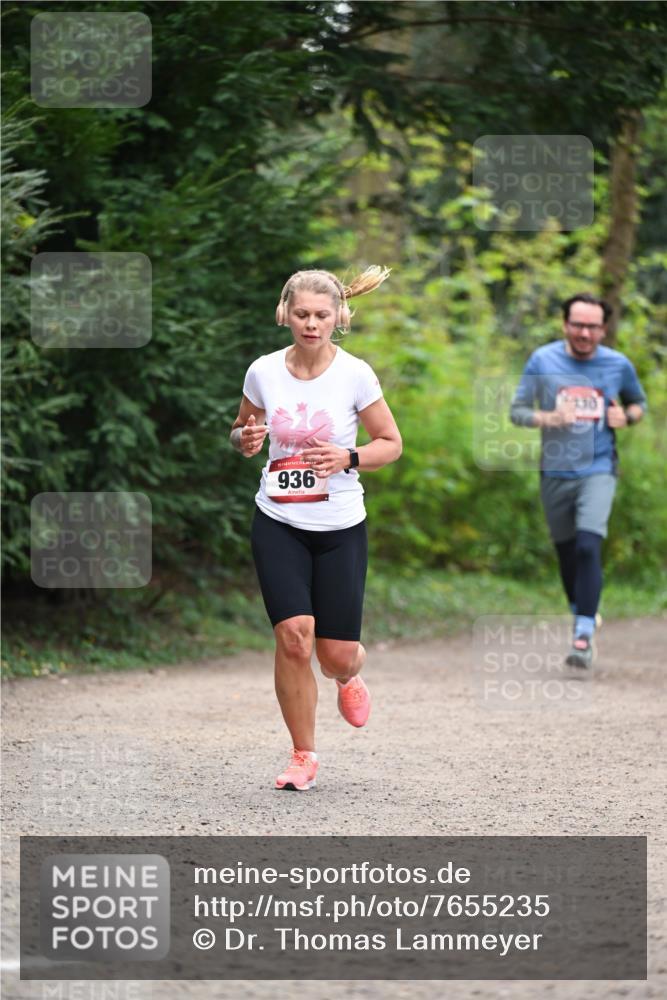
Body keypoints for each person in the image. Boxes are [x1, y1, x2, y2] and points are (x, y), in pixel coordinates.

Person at [230, 267, 402, 789]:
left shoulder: (355, 374)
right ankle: (303, 754)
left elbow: (390, 443)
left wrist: (349, 456)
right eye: (301, 314)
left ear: (339, 317)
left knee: (334, 654)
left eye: (322, 315)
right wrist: (243, 441)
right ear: (284, 313)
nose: (311, 323)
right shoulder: (262, 371)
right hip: (278, 518)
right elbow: (241, 428)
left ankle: (349, 675)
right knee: (293, 637)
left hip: (340, 525)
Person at [510, 293, 647, 669]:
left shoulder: (618, 365)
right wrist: (549, 418)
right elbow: (517, 412)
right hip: (554, 471)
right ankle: (583, 607)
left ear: (604, 328)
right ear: (565, 324)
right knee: (568, 553)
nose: (584, 333)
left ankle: (583, 633)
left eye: (592, 326)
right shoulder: (543, 360)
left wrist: (628, 417)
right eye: (578, 325)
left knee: (589, 545)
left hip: (598, 468)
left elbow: (638, 403)